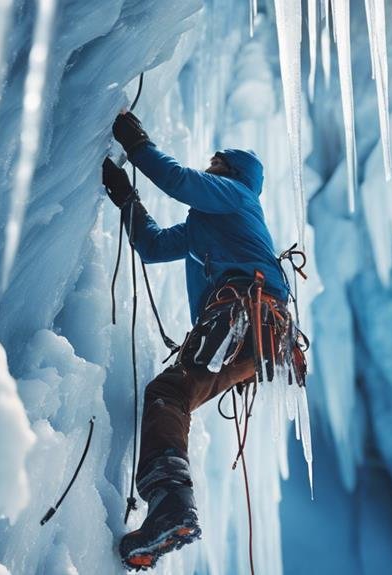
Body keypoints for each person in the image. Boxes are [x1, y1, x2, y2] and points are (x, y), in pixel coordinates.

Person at [102, 111, 306, 571]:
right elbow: (153, 247)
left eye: (215, 163)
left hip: (242, 318)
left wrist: (137, 144)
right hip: (252, 339)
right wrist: (126, 198)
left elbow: (177, 180)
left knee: (168, 393)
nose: (208, 167)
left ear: (230, 172)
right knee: (170, 396)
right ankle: (168, 505)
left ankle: (171, 501)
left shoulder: (235, 197)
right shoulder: (204, 227)